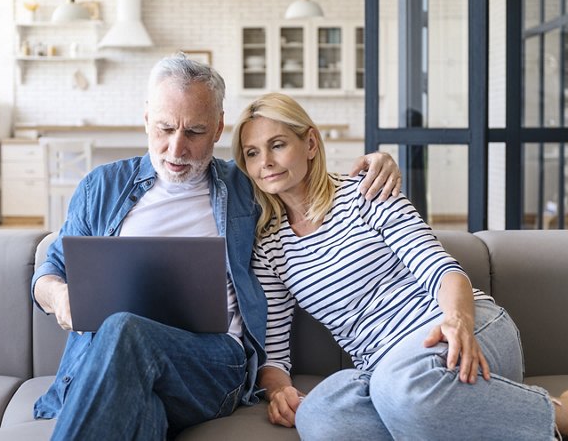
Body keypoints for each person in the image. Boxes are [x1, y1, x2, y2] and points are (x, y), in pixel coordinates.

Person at [31, 55, 401, 440]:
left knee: (126, 328)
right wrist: (59, 296)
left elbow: (304, 177)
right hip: (118, 365)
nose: (177, 149)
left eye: (194, 131)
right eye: (165, 128)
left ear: (219, 129)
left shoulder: (245, 187)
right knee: (143, 410)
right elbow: (48, 271)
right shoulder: (102, 187)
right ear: (146, 119)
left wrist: (378, 164)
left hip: (211, 365)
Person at [231, 92, 568, 440]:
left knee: (405, 388)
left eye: (278, 145)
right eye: (252, 153)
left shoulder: (367, 193)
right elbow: (274, 351)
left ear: (311, 143)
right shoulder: (269, 246)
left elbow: (441, 270)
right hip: (384, 372)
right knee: (321, 418)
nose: (265, 162)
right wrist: (277, 391)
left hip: (458, 330)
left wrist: (457, 320)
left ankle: (556, 418)